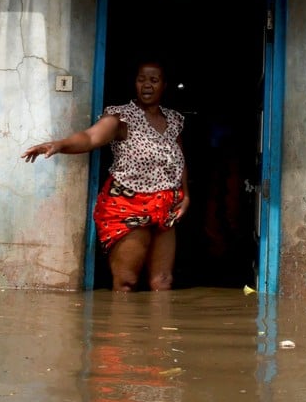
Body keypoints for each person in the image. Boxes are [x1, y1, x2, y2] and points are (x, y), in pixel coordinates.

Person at [22, 61, 188, 292]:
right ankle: (120, 326)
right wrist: (59, 144)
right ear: (135, 83)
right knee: (126, 283)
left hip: (165, 205)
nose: (147, 85)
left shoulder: (174, 120)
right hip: (127, 204)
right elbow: (90, 138)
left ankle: (158, 328)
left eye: (154, 80)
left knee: (162, 283)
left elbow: (178, 158)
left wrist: (185, 194)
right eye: (141, 79)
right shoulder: (121, 117)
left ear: (164, 85)